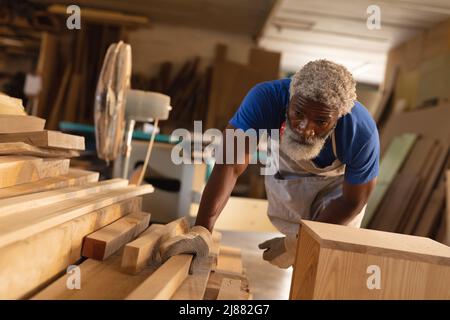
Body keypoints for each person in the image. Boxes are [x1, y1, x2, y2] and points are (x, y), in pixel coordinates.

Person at [163, 59, 379, 269]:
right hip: (290, 171)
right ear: (290, 98)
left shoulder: (361, 132)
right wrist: (202, 232)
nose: (305, 129)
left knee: (323, 257)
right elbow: (229, 164)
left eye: (321, 121)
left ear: (339, 117)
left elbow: (352, 202)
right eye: (298, 113)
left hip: (337, 190)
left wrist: (296, 244)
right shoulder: (265, 98)